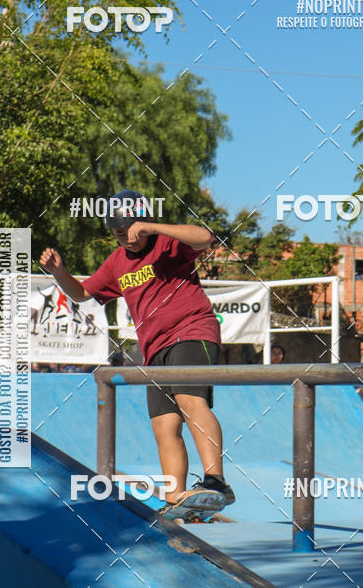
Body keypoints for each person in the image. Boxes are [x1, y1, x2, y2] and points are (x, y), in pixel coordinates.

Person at [39, 188, 234, 514]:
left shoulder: (168, 243)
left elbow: (205, 237)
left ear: (142, 221)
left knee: (190, 401)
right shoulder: (116, 263)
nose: (126, 239)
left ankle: (216, 480)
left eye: (130, 230)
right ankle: (177, 502)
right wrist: (59, 271)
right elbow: (84, 293)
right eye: (118, 234)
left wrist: (154, 228)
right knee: (164, 425)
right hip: (154, 350)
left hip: (192, 331)